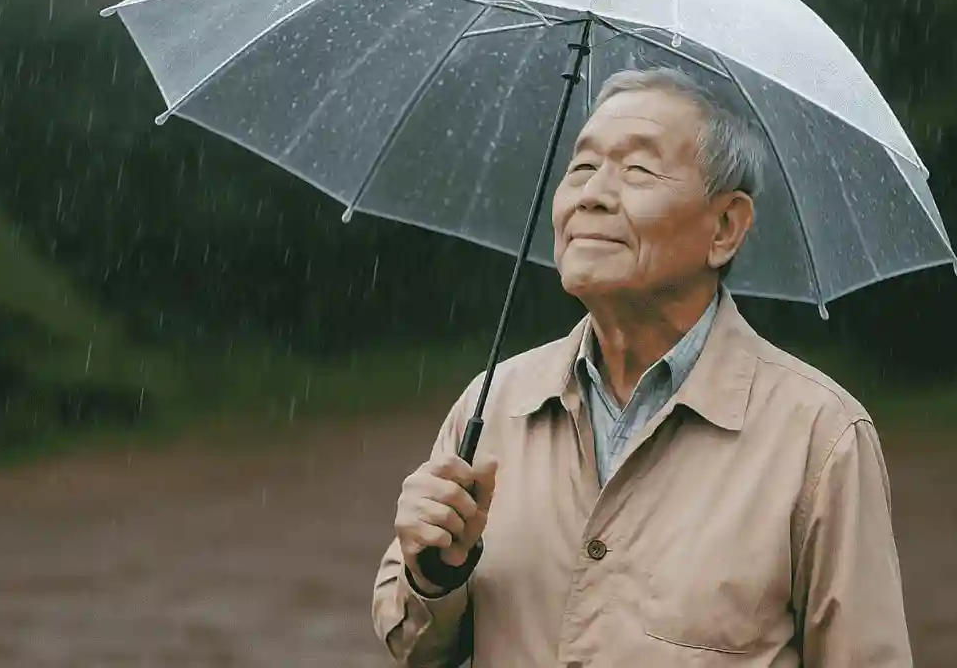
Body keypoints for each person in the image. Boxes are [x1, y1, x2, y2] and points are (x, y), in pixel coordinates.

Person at [371, 67, 913, 667]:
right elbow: (412, 647)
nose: (592, 195)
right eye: (581, 168)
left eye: (637, 171)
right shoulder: (495, 404)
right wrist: (433, 573)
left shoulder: (819, 437)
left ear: (725, 227)